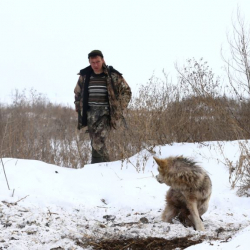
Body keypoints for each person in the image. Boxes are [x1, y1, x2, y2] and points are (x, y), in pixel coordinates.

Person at [74, 50, 131, 164]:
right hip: (90, 114)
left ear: (103, 60)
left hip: (106, 113)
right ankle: (104, 169)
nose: (95, 65)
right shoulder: (85, 76)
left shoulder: (112, 75)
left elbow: (127, 91)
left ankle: (97, 168)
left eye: (98, 62)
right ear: (89, 62)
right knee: (95, 143)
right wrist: (79, 109)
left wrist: (118, 108)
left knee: (98, 142)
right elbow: (77, 93)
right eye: (93, 62)